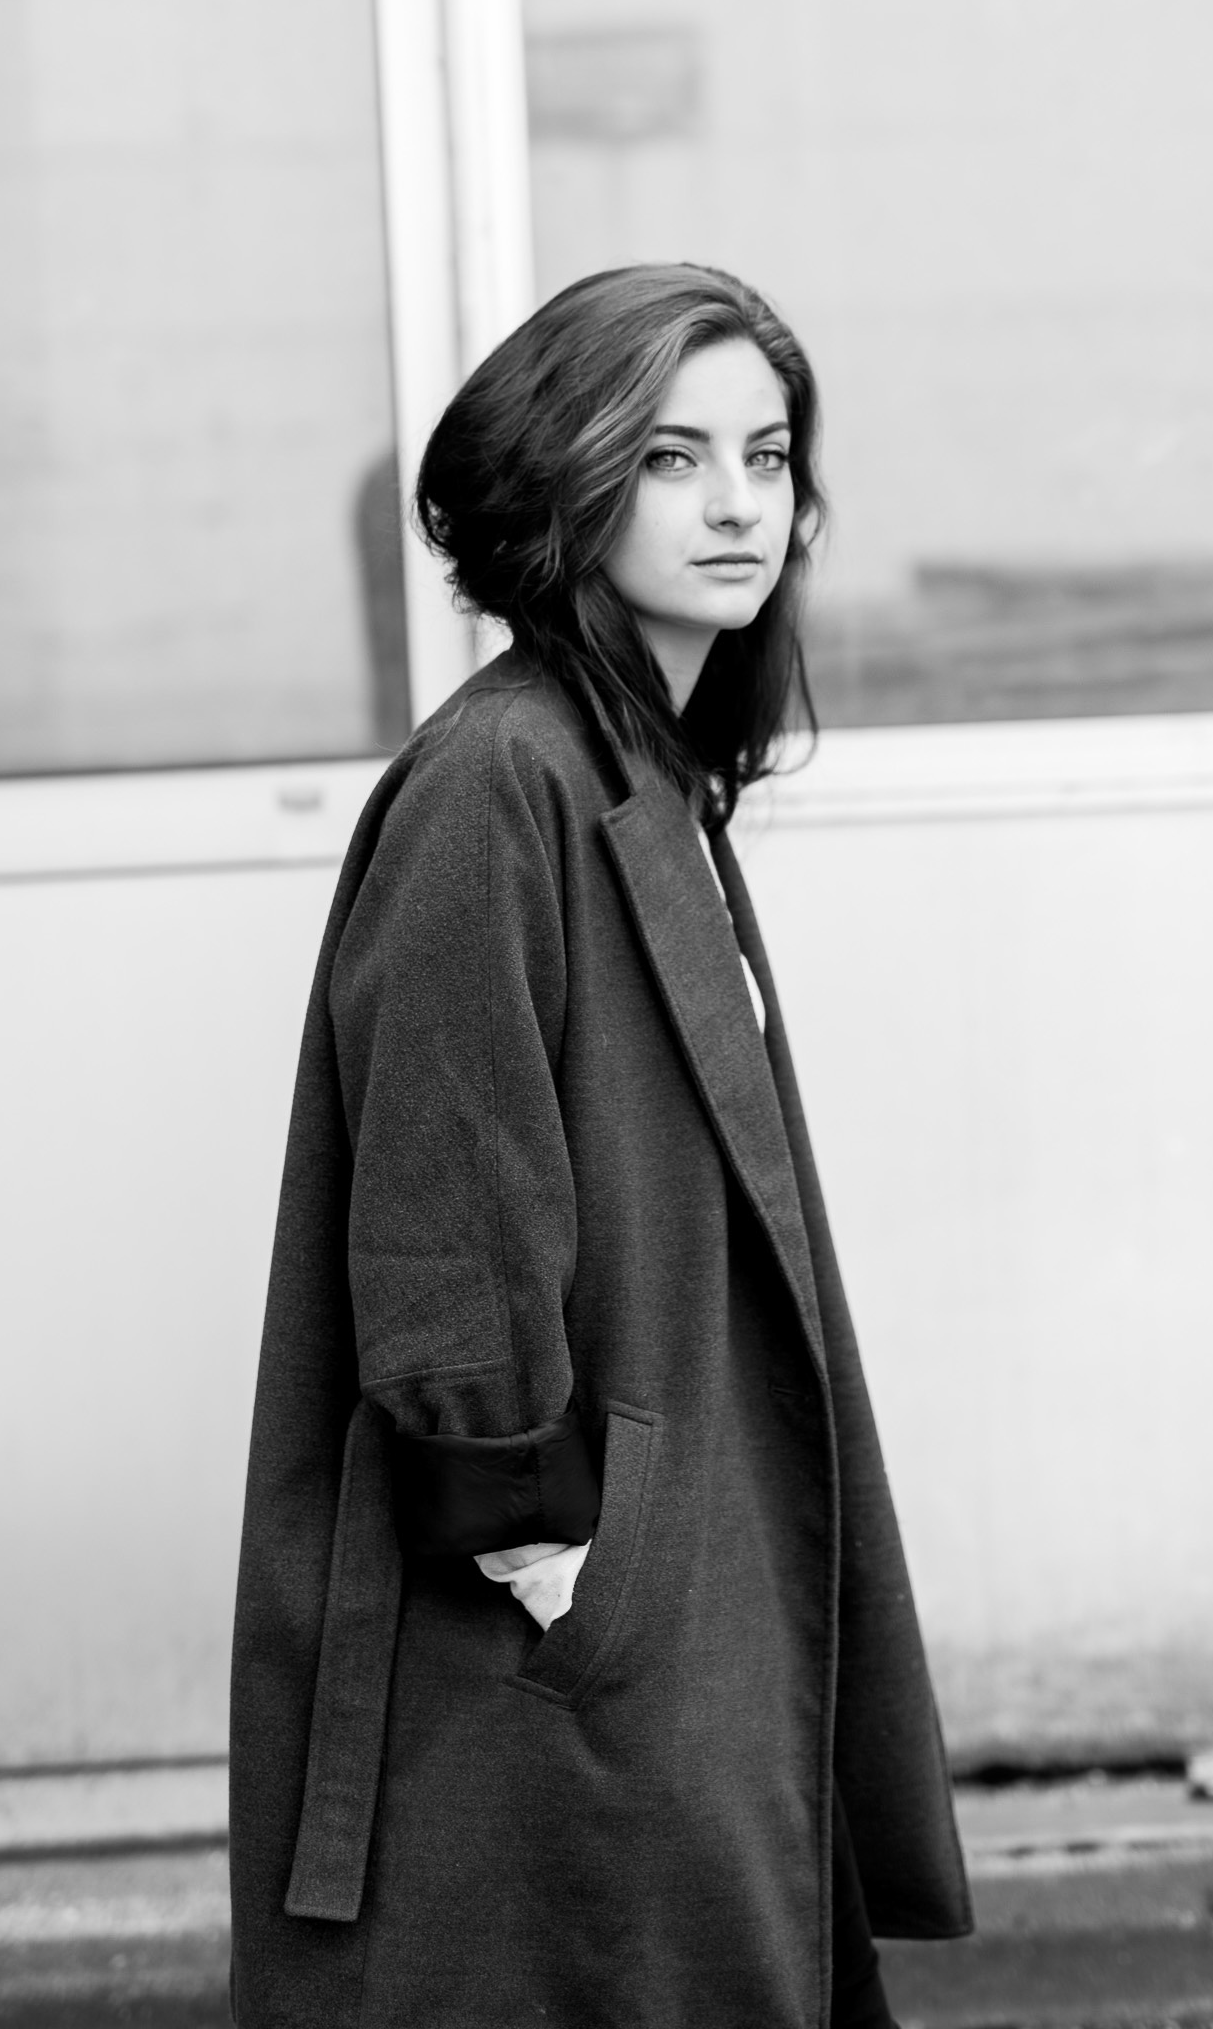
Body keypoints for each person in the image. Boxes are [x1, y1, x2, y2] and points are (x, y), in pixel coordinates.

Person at [229, 262, 971, 2029]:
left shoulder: (641, 765)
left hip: (674, 1572)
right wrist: (562, 1562)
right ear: (562, 479)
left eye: (765, 456)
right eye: (668, 457)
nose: (735, 504)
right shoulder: (502, 778)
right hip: (569, 1605)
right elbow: (447, 1204)